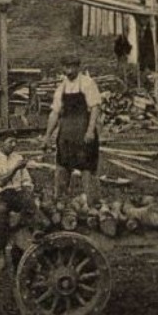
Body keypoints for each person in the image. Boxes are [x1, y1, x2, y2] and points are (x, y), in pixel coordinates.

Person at [45, 57, 102, 205]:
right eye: (65, 67)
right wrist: (47, 136)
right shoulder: (61, 88)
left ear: (78, 67)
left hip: (83, 132)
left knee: (87, 168)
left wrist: (90, 131)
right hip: (66, 134)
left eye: (71, 66)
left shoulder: (87, 83)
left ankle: (92, 203)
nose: (68, 70)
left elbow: (95, 107)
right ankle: (60, 202)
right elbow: (55, 113)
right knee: (62, 166)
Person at [0, 137, 37, 273]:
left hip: (15, 195)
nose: (14, 145)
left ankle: (28, 247)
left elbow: (27, 181)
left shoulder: (17, 157)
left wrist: (26, 190)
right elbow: (0, 182)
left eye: (15, 141)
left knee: (29, 207)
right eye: (10, 141)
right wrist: (15, 168)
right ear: (0, 143)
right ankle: (0, 253)